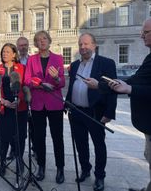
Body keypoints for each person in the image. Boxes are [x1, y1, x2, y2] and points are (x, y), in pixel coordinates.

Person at [85, 19, 151, 191]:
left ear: (94, 45)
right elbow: (134, 82)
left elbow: (133, 86)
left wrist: (129, 89)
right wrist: (111, 85)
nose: (141, 35)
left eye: (146, 32)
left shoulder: (106, 62)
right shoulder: (150, 57)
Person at [65, 32, 117, 191]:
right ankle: (85, 169)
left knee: (99, 145)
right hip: (77, 112)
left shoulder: (106, 63)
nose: (83, 47)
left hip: (95, 112)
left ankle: (100, 176)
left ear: (94, 45)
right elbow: (72, 86)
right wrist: (67, 103)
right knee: (80, 144)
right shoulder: (74, 65)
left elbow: (113, 89)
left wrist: (109, 113)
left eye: (86, 44)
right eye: (80, 44)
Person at [24, 30, 65, 184]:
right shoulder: (32, 60)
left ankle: (60, 168)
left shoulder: (58, 58)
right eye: (38, 39)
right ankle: (41, 167)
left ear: (49, 41)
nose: (42, 41)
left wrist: (55, 78)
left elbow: (62, 83)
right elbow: (27, 80)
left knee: (57, 137)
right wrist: (41, 84)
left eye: (44, 38)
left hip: (54, 104)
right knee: (39, 138)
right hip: (38, 104)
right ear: (36, 43)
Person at [0, 43, 28, 176]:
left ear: (14, 54)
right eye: (3, 52)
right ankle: (2, 163)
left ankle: (19, 161)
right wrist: (3, 101)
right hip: (3, 109)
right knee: (3, 137)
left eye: (7, 51)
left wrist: (18, 100)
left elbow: (25, 86)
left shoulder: (22, 68)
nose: (4, 54)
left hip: (19, 109)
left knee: (19, 136)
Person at [7, 37, 30, 161]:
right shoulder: (13, 62)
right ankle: (13, 149)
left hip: (28, 99)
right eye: (20, 45)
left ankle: (32, 150)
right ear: (17, 47)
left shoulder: (32, 60)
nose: (23, 47)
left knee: (26, 130)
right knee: (12, 128)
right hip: (14, 98)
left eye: (25, 45)